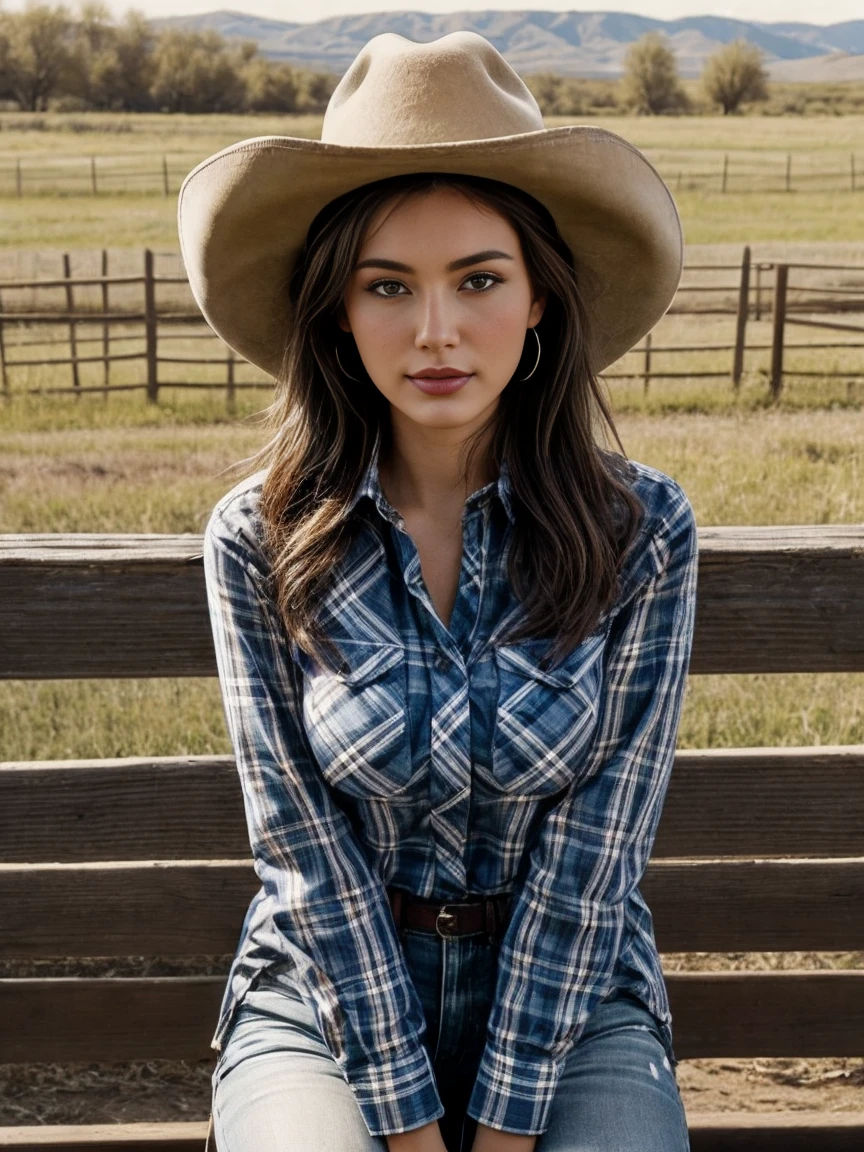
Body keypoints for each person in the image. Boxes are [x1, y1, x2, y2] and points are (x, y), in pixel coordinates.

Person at [179, 30, 697, 1152]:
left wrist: (504, 1130)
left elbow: (596, 862)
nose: (436, 333)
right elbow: (304, 854)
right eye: (387, 286)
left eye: (478, 280)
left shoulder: (640, 532)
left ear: (541, 298)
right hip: (323, 997)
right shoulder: (258, 541)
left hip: (572, 1002)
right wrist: (410, 1127)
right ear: (336, 312)